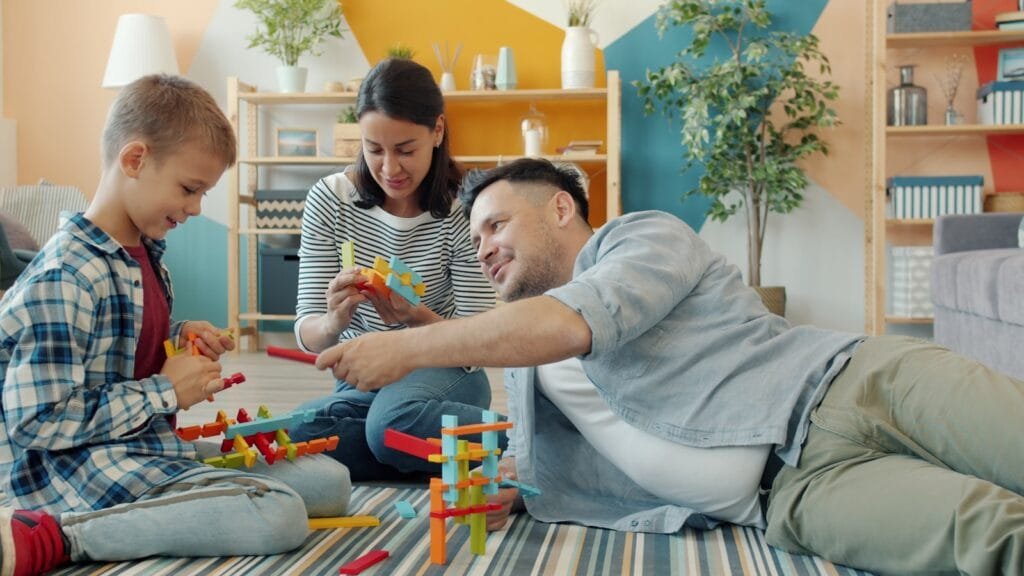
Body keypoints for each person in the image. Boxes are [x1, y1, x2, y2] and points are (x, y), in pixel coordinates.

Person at [312, 157, 1024, 575]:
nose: (483, 248)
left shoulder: (642, 239)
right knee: (992, 537)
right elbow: (555, 428)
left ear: (561, 208)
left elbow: (575, 322)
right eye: (473, 239)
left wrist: (407, 349)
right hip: (793, 498)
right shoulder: (528, 365)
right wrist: (523, 490)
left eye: (496, 225)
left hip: (853, 386)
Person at [0, 75, 351, 575]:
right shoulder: (66, 276)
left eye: (203, 193)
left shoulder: (142, 254)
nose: (195, 208)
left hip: (139, 444)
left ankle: (173, 498)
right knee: (277, 513)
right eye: (190, 189)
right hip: (68, 466)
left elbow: (115, 346)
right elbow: (36, 420)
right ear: (135, 159)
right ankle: (56, 536)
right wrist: (165, 392)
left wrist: (180, 334)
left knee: (329, 483)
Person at [287, 58, 499, 480]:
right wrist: (333, 320)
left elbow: (480, 341)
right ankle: (418, 450)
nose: (389, 168)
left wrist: (414, 316)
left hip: (445, 371)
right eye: (374, 149)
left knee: (389, 423)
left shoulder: (466, 208)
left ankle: (527, 452)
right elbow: (309, 333)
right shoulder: (329, 200)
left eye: (405, 150)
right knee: (295, 433)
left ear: (437, 131)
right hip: (363, 383)